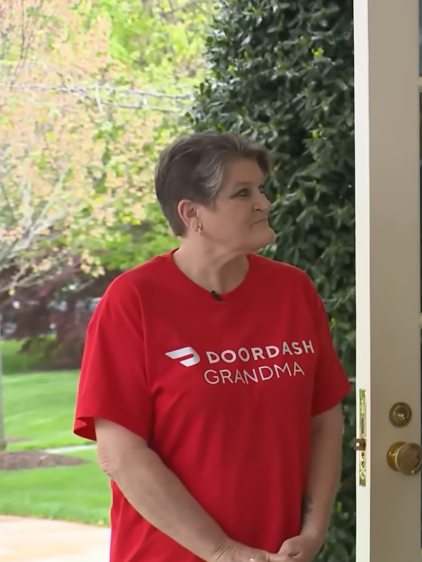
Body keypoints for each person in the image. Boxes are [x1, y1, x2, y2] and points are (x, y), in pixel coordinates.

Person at [73, 132, 350, 562]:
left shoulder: (293, 291)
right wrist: (223, 552)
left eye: (261, 189)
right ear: (192, 213)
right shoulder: (134, 301)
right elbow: (120, 454)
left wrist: (313, 532)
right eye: (243, 193)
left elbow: (324, 420)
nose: (264, 203)